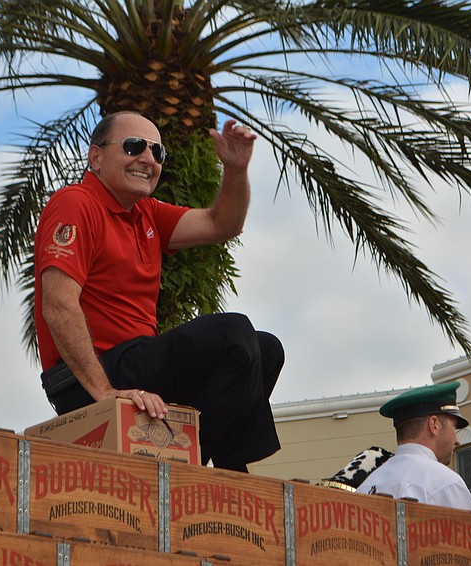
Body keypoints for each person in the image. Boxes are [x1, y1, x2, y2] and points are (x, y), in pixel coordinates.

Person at [33, 111, 284, 472]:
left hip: (136, 364)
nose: (148, 159)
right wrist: (106, 395)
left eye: (157, 152)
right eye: (134, 146)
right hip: (87, 377)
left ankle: (203, 464)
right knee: (232, 332)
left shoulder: (145, 213)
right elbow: (57, 306)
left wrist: (236, 169)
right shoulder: (75, 203)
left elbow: (221, 223)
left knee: (266, 349)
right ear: (96, 157)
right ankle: (226, 471)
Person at [356, 382, 471, 510]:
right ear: (434, 424)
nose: (457, 440)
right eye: (454, 427)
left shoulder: (364, 487)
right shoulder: (446, 483)